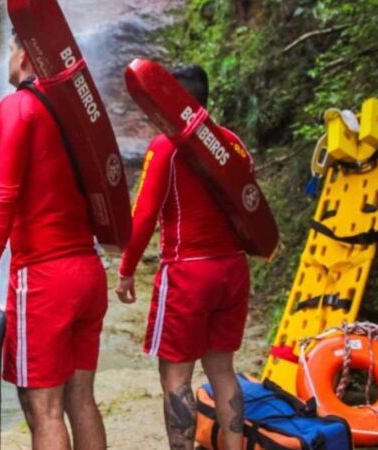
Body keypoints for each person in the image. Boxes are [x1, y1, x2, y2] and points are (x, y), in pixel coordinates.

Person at [0, 31, 108, 450]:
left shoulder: (18, 107)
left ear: (28, 57)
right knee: (80, 399)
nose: (8, 58)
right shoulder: (74, 116)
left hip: (46, 279)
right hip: (88, 272)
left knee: (43, 408)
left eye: (12, 50)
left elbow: (1, 194)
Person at [115, 64, 250, 450]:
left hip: (188, 274)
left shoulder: (167, 147)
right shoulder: (233, 143)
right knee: (223, 370)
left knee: (175, 378)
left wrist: (126, 271)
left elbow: (142, 215)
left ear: (178, 100)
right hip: (233, 271)